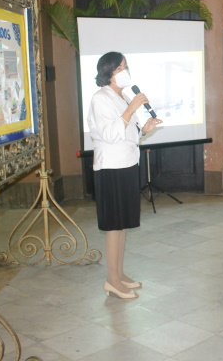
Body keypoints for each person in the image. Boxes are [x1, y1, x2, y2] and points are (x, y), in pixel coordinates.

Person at [87, 52, 162, 299]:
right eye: (120, 68)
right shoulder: (101, 98)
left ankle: (119, 274)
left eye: (125, 66)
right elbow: (109, 134)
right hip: (111, 168)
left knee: (122, 225)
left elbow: (127, 133)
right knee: (113, 226)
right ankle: (111, 280)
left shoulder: (123, 96)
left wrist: (144, 130)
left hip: (127, 164)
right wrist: (131, 109)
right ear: (108, 72)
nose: (125, 71)